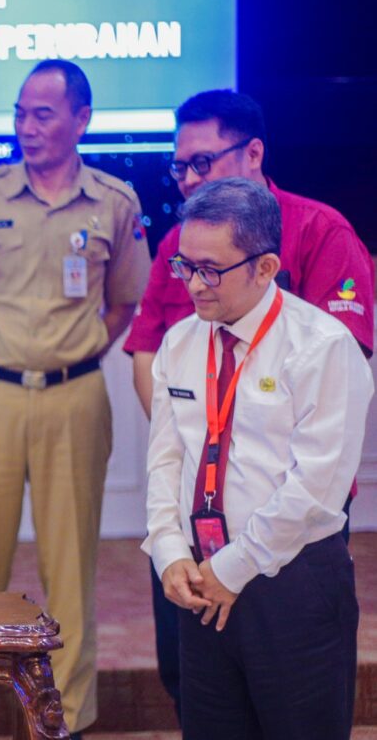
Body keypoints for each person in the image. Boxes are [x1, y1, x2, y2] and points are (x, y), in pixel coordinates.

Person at [123, 88, 374, 717]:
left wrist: (234, 567)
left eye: (211, 271)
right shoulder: (185, 339)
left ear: (265, 270)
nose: (194, 284)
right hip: (198, 567)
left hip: (287, 570)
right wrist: (170, 551)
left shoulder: (319, 340)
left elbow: (316, 481)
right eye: (187, 268)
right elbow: (165, 457)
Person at [0, 59, 151, 738]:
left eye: (43, 114)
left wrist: (74, 348)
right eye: (19, 114)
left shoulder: (114, 202)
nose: (27, 128)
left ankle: (61, 717)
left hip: (74, 396)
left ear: (81, 119)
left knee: (71, 567)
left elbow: (123, 302)